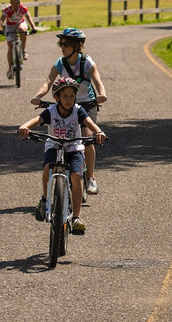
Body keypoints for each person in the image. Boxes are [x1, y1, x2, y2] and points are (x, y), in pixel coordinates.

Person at [18, 76, 106, 233]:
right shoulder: (51, 111)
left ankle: (76, 217)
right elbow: (37, 120)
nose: (69, 100)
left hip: (74, 146)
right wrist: (25, 126)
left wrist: (98, 132)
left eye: (72, 96)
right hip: (54, 144)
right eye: (65, 96)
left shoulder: (78, 111)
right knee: (47, 169)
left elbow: (89, 123)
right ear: (56, 97)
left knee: (76, 176)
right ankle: (45, 200)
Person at [30, 27, 107, 196]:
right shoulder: (60, 63)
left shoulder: (86, 62)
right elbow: (48, 82)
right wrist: (38, 95)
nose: (62, 47)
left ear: (77, 46)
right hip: (66, 103)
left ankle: (91, 178)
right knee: (61, 137)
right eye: (61, 43)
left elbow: (97, 80)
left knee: (87, 139)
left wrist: (102, 94)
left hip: (86, 103)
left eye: (66, 44)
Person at [0, 0, 37, 80]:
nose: (15, 4)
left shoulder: (23, 9)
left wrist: (33, 27)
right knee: (10, 46)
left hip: (20, 23)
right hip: (10, 26)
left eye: (17, 2)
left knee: (22, 30)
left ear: (20, 2)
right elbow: (1, 20)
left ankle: (23, 50)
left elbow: (29, 18)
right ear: (10, 3)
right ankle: (10, 68)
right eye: (13, 3)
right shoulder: (7, 9)